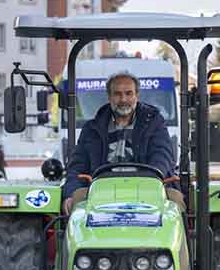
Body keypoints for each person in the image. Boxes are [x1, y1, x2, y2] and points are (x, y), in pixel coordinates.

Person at [62, 70, 177, 214]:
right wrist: (70, 193)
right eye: (117, 94)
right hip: (100, 190)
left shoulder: (154, 123)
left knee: (176, 202)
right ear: (109, 97)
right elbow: (77, 167)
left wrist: (151, 180)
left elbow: (162, 156)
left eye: (128, 93)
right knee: (75, 200)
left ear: (137, 96)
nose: (123, 100)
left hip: (147, 187)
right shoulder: (92, 129)